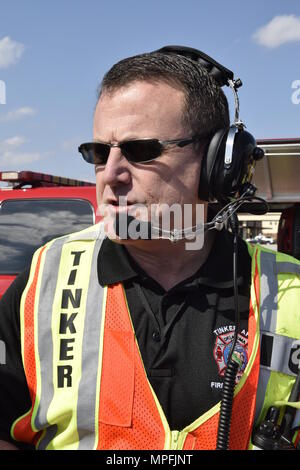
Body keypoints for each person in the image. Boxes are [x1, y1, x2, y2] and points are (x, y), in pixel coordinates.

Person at [0, 47, 300, 451]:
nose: (110, 175)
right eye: (99, 153)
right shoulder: (43, 279)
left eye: (142, 151)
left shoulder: (289, 293)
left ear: (217, 165)